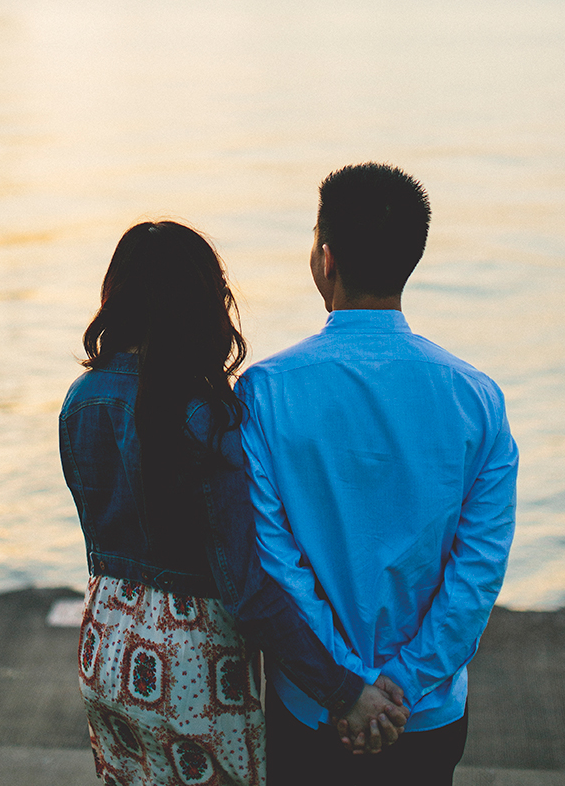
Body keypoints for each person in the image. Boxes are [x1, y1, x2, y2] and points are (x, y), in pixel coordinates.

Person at [60, 220, 409, 785]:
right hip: (191, 665)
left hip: (105, 641)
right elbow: (245, 591)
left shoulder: (81, 400)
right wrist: (345, 692)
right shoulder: (201, 416)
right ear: (203, 303)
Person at [239, 164, 519, 783]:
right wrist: (402, 683)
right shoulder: (476, 398)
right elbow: (478, 568)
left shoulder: (265, 392)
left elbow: (272, 558)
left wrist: (347, 687)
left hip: (311, 705)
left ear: (325, 257)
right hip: (422, 712)